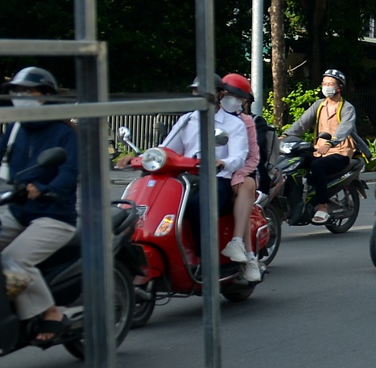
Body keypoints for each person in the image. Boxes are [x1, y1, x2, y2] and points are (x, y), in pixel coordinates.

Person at [0, 67, 80, 345]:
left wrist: (45, 190)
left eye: (26, 91)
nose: (19, 97)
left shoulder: (64, 133)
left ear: (46, 95)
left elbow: (69, 174)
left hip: (54, 216)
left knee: (14, 259)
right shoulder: (15, 128)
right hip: (16, 210)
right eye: (15, 91)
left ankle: (51, 312)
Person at [131, 76, 255, 271]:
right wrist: (140, 158)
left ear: (219, 94)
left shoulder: (233, 123)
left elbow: (239, 156)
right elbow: (167, 148)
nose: (199, 96)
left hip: (217, 178)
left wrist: (223, 162)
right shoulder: (186, 120)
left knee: (199, 205)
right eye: (196, 91)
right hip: (185, 178)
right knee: (156, 204)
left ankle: (204, 259)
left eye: (205, 91)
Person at [284, 69, 360, 225]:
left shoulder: (347, 108)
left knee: (317, 166)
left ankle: (322, 207)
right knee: (293, 161)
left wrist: (331, 142)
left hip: (340, 151)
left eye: (330, 84)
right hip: (319, 150)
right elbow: (301, 123)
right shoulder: (319, 105)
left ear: (340, 87)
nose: (326, 87)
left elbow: (344, 129)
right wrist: (285, 136)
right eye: (324, 83)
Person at [216, 74, 262, 283]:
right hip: (209, 173)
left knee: (246, 185)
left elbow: (252, 157)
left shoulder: (246, 122)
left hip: (240, 172)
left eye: (238, 97)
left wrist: (239, 174)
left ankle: (246, 251)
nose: (232, 99)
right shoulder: (200, 117)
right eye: (229, 94)